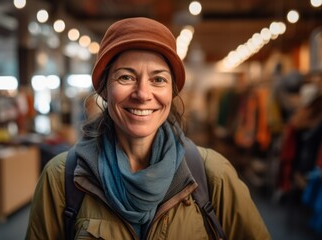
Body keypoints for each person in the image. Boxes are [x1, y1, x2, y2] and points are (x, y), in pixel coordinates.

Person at [26, 17, 270, 240]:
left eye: (158, 79)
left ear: (171, 92)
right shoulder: (63, 178)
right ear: (104, 89)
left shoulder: (212, 174)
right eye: (126, 77)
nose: (142, 94)